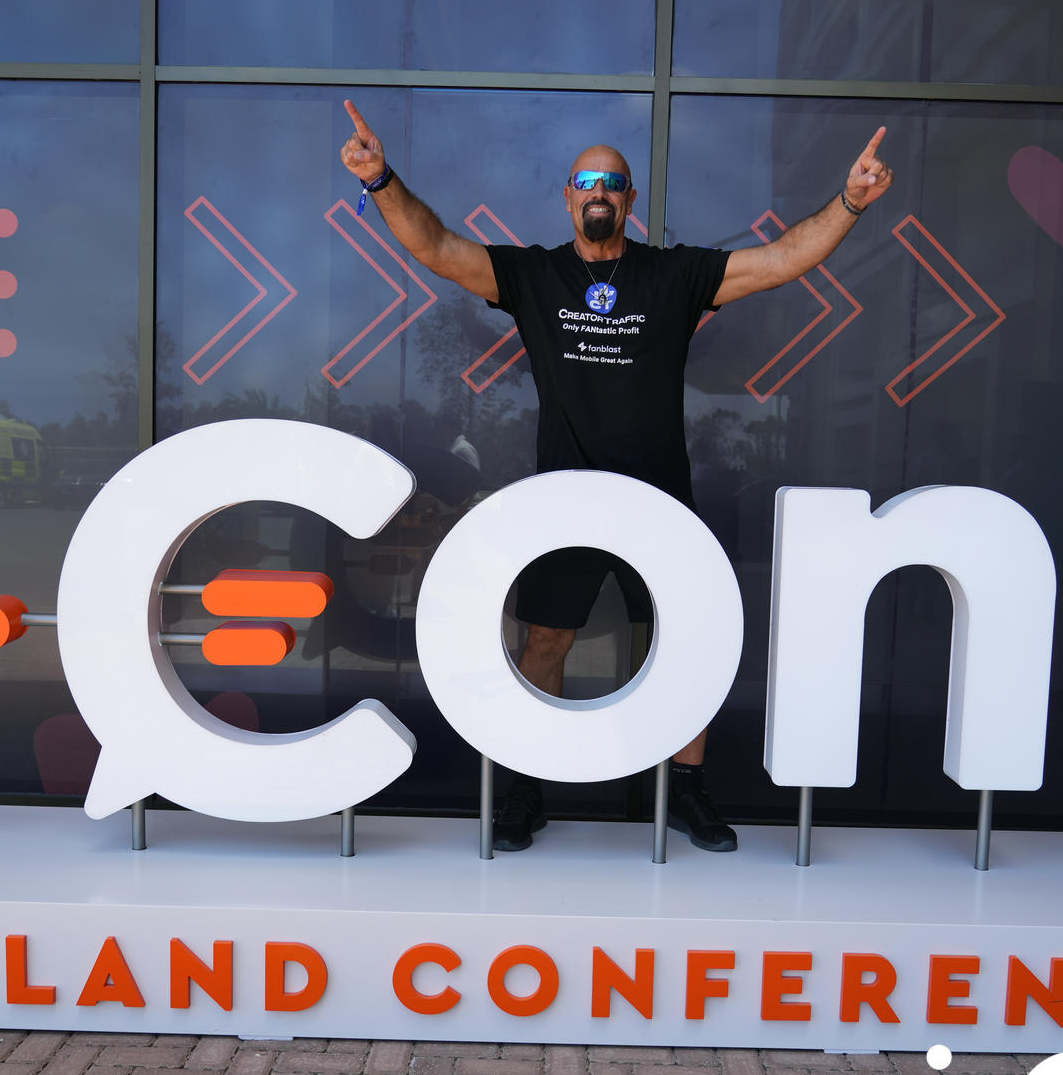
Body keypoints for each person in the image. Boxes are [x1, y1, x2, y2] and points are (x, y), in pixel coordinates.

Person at [339, 100, 894, 852]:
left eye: (612, 181)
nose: (598, 190)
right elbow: (436, 247)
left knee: (682, 640)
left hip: (660, 500)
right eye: (585, 181)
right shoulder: (534, 276)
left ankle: (687, 789)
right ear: (567, 198)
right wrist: (379, 180)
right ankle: (526, 789)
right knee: (545, 641)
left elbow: (782, 260)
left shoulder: (676, 275)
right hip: (566, 500)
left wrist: (851, 200)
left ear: (629, 201)